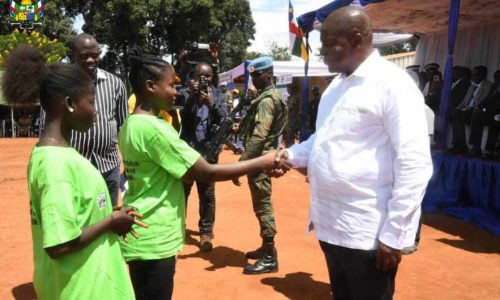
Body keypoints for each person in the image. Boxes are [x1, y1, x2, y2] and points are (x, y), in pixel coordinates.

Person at [273, 7, 432, 299]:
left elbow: (415, 163)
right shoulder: (337, 86)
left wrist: (395, 235)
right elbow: (324, 139)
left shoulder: (393, 85)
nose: (322, 53)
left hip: (368, 233)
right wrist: (292, 155)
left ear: (356, 40)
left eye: (327, 45)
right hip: (332, 224)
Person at [119, 50, 279, 300]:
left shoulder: (132, 123)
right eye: (171, 85)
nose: (175, 92)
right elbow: (207, 172)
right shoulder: (156, 129)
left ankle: (207, 230)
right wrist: (263, 161)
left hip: (142, 230)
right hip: (155, 238)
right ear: (150, 86)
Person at [3, 46, 145, 299]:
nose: (96, 110)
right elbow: (59, 245)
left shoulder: (61, 154)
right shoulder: (55, 165)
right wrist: (111, 222)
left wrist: (107, 214)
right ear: (69, 104)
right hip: (83, 289)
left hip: (93, 283)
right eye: (90, 102)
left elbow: (74, 214)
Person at [40, 33, 129, 206]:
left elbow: (123, 126)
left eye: (95, 55)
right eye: (84, 56)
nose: (90, 60)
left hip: (108, 165)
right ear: (72, 55)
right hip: (73, 166)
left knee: (108, 216)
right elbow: (49, 123)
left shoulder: (115, 84)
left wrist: (128, 164)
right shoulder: (60, 85)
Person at [233, 56, 288, 275]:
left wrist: (241, 164)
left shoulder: (266, 100)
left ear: (268, 74)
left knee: (263, 206)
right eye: (252, 75)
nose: (254, 79)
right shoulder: (272, 96)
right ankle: (266, 248)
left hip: (260, 160)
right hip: (263, 157)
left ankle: (269, 258)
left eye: (257, 75)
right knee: (260, 205)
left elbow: (258, 137)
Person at [178, 62, 227, 251]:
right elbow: (180, 117)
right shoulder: (184, 92)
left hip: (209, 152)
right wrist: (191, 97)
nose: (204, 80)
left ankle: (206, 233)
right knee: (183, 192)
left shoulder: (218, 94)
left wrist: (211, 105)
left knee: (207, 195)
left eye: (208, 76)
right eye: (200, 76)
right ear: (193, 77)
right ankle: (178, 227)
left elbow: (224, 119)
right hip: (186, 152)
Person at [449, 66, 493, 155]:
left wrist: (468, 109)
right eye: (472, 75)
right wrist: (457, 108)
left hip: (477, 111)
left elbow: (483, 101)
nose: (473, 77)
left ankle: (473, 147)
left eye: (476, 74)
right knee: (455, 114)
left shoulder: (488, 86)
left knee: (465, 115)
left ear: (483, 75)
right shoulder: (472, 87)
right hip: (467, 111)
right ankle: (460, 145)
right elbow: (464, 101)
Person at [469, 70, 500, 157]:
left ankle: (490, 150)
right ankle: (476, 146)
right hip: (491, 113)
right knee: (476, 115)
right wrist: (479, 107)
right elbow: (486, 100)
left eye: (498, 77)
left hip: (497, 113)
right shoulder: (494, 86)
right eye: (495, 76)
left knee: (495, 122)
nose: (496, 78)